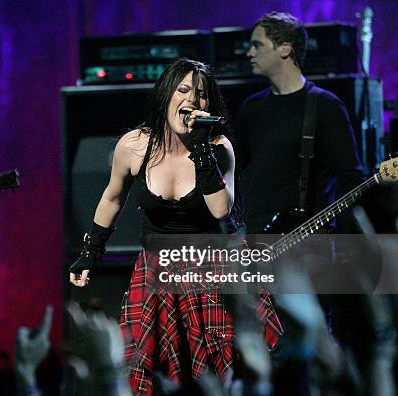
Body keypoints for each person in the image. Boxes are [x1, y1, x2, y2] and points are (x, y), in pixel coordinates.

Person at [69, 58, 283, 395]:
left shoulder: (218, 148)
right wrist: (90, 252)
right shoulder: (134, 145)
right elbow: (112, 198)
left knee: (216, 369)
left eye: (201, 96)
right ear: (166, 95)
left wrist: (200, 149)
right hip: (158, 269)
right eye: (183, 90)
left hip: (211, 268)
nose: (191, 101)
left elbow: (219, 208)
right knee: (144, 366)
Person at [236, 12, 363, 234]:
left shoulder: (326, 106)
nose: (249, 53)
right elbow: (238, 174)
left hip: (308, 246)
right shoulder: (251, 107)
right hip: (256, 243)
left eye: (257, 45)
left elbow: (351, 180)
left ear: (285, 48)